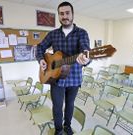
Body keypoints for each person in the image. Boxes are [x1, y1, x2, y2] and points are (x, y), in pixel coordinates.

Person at [35, 1, 90, 135]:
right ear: (59, 16)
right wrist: (41, 59)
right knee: (57, 106)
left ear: (72, 14)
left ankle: (67, 126)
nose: (65, 16)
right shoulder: (53, 34)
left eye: (67, 13)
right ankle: (59, 130)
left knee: (70, 105)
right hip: (56, 78)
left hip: (74, 78)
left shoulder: (81, 33)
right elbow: (40, 47)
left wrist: (86, 58)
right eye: (61, 14)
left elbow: (85, 49)